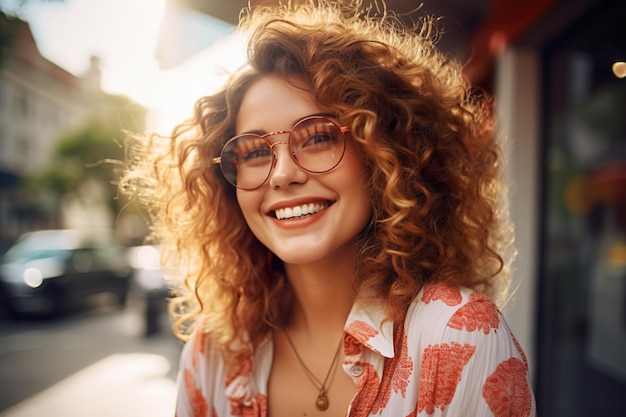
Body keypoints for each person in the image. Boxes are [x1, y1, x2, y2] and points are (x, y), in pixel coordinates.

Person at [120, 1, 536, 416]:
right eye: (253, 152)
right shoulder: (213, 353)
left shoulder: (460, 336)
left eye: (318, 137)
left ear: (385, 154)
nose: (281, 175)